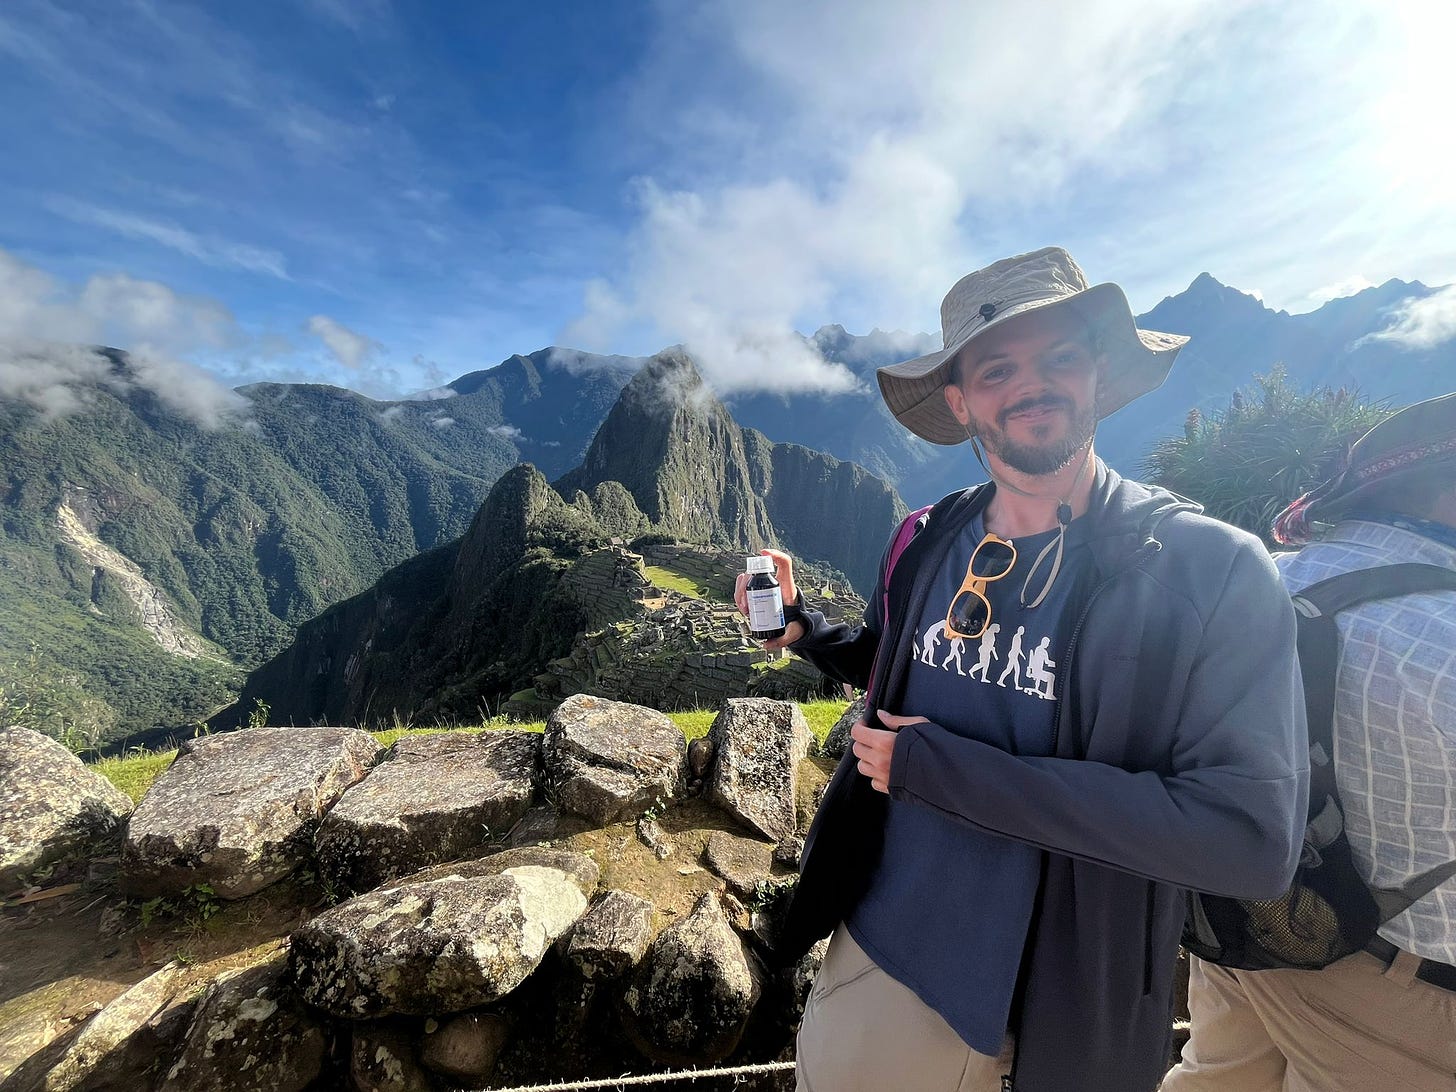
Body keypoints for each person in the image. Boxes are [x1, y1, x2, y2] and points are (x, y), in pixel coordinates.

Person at [734, 247, 1309, 1092]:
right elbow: (906, 664)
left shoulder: (1206, 572)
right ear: (961, 401)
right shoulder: (928, 537)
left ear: (1100, 373)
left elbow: (1249, 842)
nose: (1031, 385)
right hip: (883, 962)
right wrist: (806, 630)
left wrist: (945, 774)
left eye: (1060, 357)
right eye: (997, 368)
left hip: (1070, 1000)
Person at [1163, 394, 1456, 1091]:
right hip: (1398, 992)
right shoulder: (1443, 638)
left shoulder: (1237, 581)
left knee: (1213, 1079)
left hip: (1245, 923)